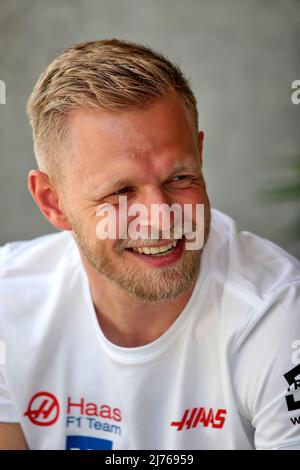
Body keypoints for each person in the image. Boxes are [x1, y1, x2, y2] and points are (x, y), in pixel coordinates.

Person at [0, 39, 299, 451]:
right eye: (121, 191)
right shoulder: (7, 303)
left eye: (179, 178)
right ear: (54, 202)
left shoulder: (277, 315)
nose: (162, 217)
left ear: (200, 155)